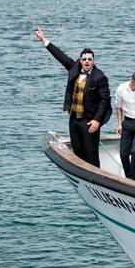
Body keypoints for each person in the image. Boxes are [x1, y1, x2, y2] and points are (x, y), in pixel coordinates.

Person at [35, 27, 111, 167]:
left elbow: (105, 101)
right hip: (74, 119)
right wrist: (44, 40)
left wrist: (97, 120)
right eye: (84, 59)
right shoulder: (74, 67)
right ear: (80, 60)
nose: (87, 61)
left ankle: (95, 178)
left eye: (90, 59)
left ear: (93, 61)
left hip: (89, 121)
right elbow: (60, 56)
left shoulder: (100, 77)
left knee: (91, 153)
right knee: (78, 152)